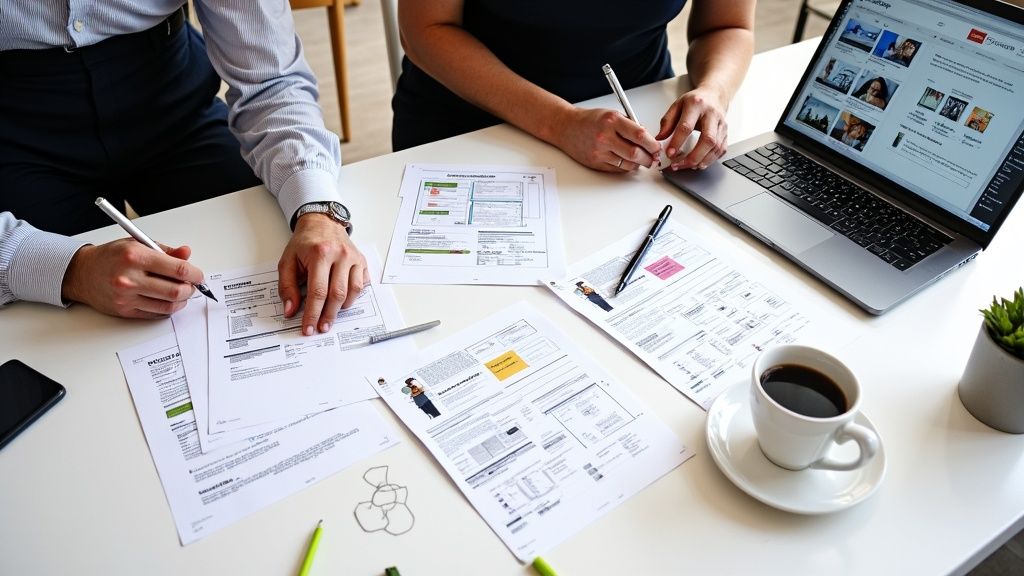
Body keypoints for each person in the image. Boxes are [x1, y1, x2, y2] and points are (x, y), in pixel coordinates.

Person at [0, 2, 366, 338]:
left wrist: (318, 210)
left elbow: (271, 80)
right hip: (14, 132)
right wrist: (72, 272)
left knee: (265, 241)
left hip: (175, 101)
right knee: (57, 332)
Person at [392, 1, 756, 173]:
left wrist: (714, 90)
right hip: (470, 124)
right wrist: (561, 122)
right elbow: (425, 31)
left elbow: (728, 27)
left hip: (640, 126)